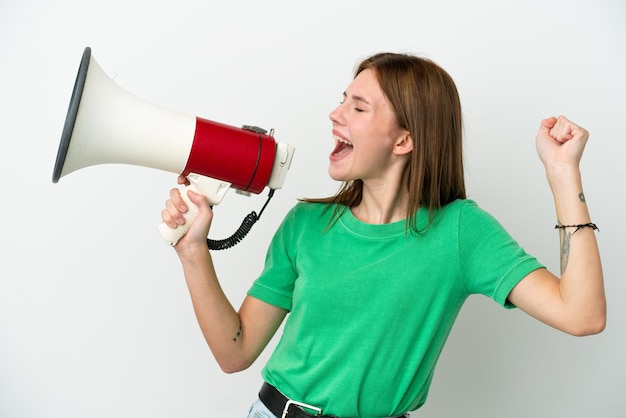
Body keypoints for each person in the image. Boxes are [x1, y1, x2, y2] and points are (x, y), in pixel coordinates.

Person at [161, 52, 605, 418]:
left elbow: (582, 315)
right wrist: (193, 251)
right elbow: (233, 353)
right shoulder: (306, 225)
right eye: (342, 100)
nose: (335, 115)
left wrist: (563, 175)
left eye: (358, 107)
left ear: (403, 141)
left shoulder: (460, 232)